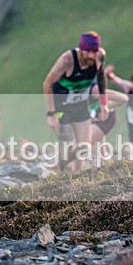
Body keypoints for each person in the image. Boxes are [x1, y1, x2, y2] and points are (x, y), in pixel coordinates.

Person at [43, 31, 109, 171]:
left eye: (94, 52)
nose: (91, 56)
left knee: (84, 147)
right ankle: (59, 170)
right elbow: (47, 84)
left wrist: (103, 104)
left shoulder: (99, 56)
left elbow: (101, 78)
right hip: (61, 105)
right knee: (67, 142)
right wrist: (51, 114)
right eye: (88, 52)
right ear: (81, 50)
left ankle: (74, 174)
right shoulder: (67, 60)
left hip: (80, 104)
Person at [89, 84, 128, 159]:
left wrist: (106, 106)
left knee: (81, 143)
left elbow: (124, 98)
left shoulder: (95, 90)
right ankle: (109, 163)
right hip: (93, 122)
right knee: (99, 150)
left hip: (105, 121)